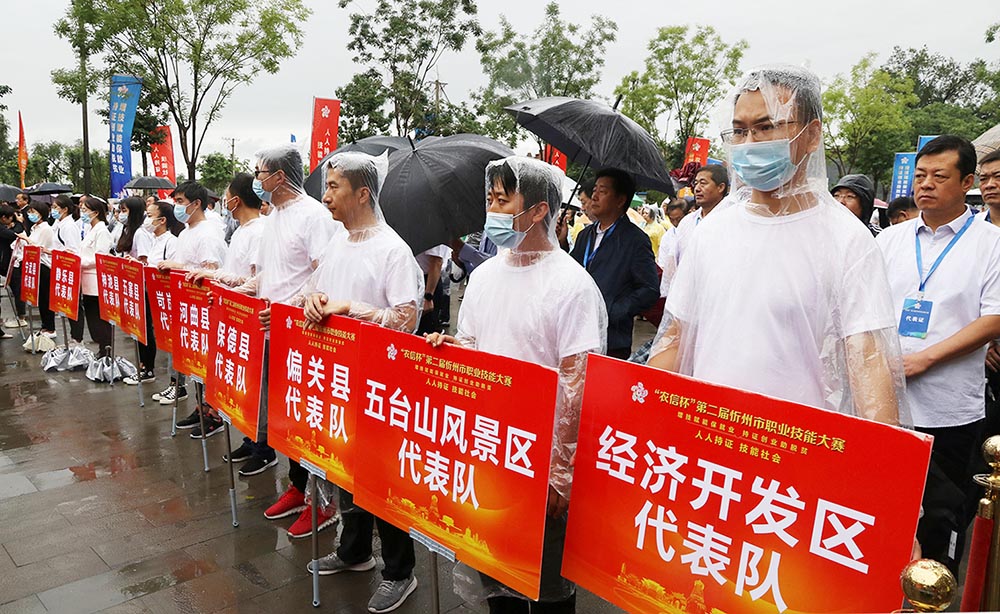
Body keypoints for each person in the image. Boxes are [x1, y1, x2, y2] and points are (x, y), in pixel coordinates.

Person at [648, 65, 907, 429]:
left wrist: (879, 453)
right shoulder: (712, 231)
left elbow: (869, 362)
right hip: (708, 436)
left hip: (791, 446)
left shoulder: (846, 240)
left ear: (812, 135)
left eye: (766, 127)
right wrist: (639, 414)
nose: (750, 144)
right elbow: (675, 339)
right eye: (740, 131)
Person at [427, 156, 607, 613]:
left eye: (503, 201)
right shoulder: (485, 276)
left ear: (539, 210)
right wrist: (449, 349)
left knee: (547, 587)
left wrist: (559, 474)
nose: (492, 210)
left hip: (541, 457)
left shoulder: (571, 285)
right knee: (495, 576)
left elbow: (577, 384)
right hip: (490, 449)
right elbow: (474, 348)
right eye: (490, 199)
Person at [299, 151, 423, 614]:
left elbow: (406, 318)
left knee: (383, 477)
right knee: (346, 468)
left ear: (363, 193)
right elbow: (317, 289)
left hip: (381, 386)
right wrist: (313, 301)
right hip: (338, 378)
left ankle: (400, 571)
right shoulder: (338, 242)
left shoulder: (392, 249)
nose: (326, 196)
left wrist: (352, 309)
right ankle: (354, 551)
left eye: (334, 187)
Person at [877, 135, 1000, 576]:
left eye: (939, 176)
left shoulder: (991, 243)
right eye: (920, 175)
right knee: (882, 506)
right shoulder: (890, 239)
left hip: (947, 408)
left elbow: (993, 319)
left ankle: (932, 591)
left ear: (966, 182)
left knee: (940, 513)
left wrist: (925, 359)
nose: (925, 184)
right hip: (884, 400)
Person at [247, 145, 340, 534]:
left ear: (280, 176)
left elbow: (323, 275)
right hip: (274, 331)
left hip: (304, 335)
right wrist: (238, 286)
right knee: (285, 417)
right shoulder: (274, 217)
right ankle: (298, 486)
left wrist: (290, 309)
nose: (256, 180)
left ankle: (323, 502)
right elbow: (271, 274)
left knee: (309, 418)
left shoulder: (313, 216)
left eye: (260, 172)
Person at [188, 173, 267, 470]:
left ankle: (263, 448)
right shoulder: (242, 231)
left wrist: (224, 287)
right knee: (244, 384)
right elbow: (235, 274)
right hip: (236, 318)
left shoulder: (260, 231)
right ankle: (250, 439)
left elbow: (257, 279)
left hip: (253, 319)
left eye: (227, 195)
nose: (224, 200)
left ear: (237, 199)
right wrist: (219, 284)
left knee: (259, 388)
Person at [559, 168, 657, 359]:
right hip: (577, 332)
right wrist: (562, 243)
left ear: (620, 200)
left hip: (612, 339)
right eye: (594, 190)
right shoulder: (585, 234)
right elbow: (571, 273)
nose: (594, 196)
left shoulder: (635, 240)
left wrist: (614, 310)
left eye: (602, 191)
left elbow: (649, 289)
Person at [157, 181, 228, 422]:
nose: (176, 207)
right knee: (195, 360)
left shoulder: (208, 234)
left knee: (208, 361)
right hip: (189, 308)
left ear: (196, 203)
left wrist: (178, 267)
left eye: (180, 201)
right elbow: (186, 264)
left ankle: (213, 414)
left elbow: (212, 272)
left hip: (205, 308)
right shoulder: (185, 232)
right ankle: (201, 407)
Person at [129, 201, 184, 388]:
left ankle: (177, 385)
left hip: (167, 298)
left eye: (150, 216)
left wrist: (168, 267)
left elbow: (177, 270)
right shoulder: (154, 240)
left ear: (162, 220)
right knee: (155, 333)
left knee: (171, 339)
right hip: (152, 294)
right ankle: (151, 370)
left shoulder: (171, 242)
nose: (146, 219)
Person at [73, 198, 114, 357]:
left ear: (96, 212)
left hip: (96, 280)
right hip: (86, 280)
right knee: (92, 316)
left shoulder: (102, 231)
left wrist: (80, 262)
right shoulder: (91, 229)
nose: (82, 213)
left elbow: (100, 257)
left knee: (99, 318)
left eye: (85, 210)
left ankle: (106, 350)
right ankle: (101, 349)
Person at [18, 201, 56, 337]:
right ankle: (45, 326)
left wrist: (27, 240)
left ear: (42, 213)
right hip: (35, 265)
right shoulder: (35, 227)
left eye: (33, 212)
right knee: (40, 298)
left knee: (45, 298)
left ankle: (50, 327)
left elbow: (39, 247)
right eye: (29, 212)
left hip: (44, 265)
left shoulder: (46, 229)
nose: (30, 215)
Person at [415, 244, 449, 334]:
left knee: (424, 330)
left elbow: (436, 262)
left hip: (428, 282)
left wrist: (428, 297)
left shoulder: (434, 238)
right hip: (417, 279)